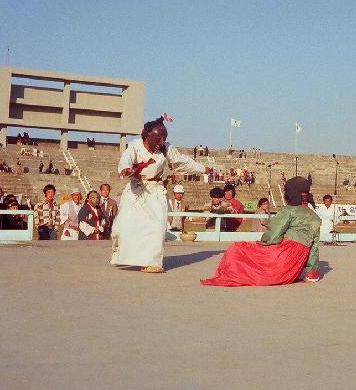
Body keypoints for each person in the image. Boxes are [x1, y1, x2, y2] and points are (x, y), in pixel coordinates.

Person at [111, 116, 205, 273]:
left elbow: (182, 162)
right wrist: (126, 168)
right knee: (121, 228)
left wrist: (203, 169)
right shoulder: (135, 146)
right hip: (136, 189)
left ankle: (153, 262)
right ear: (146, 136)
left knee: (156, 228)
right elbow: (127, 158)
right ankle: (118, 251)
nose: (160, 143)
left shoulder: (166, 149)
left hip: (156, 190)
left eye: (163, 139)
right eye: (157, 139)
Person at [201, 176, 322, 286]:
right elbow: (314, 249)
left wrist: (262, 244)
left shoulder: (289, 210)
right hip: (292, 271)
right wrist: (311, 273)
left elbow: (273, 235)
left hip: (282, 259)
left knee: (237, 248)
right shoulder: (315, 217)